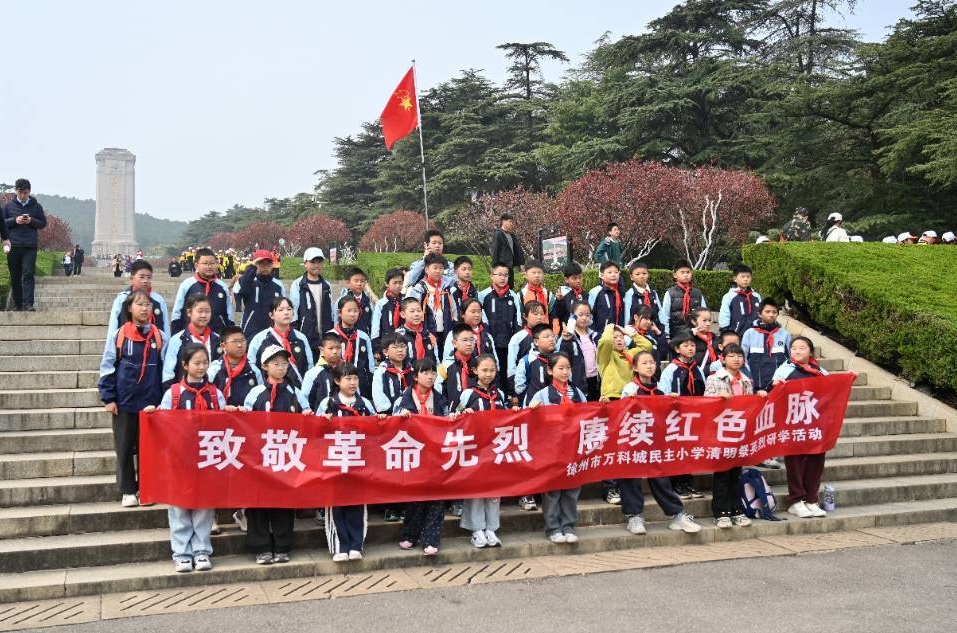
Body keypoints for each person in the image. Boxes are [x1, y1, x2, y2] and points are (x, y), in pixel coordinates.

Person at [143, 343, 236, 573]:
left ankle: (202, 550)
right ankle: (182, 553)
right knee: (179, 506)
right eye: (196, 363)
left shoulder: (215, 393)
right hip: (179, 459)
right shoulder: (173, 393)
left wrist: (233, 413)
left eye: (205, 362)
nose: (202, 367)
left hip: (207, 457)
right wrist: (153, 415)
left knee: (204, 506)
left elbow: (225, 422)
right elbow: (163, 422)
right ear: (185, 365)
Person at [619, 350, 702, 535]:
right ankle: (634, 517)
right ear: (635, 367)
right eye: (644, 363)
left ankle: (677, 515)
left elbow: (666, 418)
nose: (649, 366)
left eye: (651, 362)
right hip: (634, 442)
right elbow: (622, 415)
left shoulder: (660, 391)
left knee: (661, 479)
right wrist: (630, 402)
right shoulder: (630, 389)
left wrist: (672, 403)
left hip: (654, 443)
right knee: (631, 478)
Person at [243, 344, 312, 565]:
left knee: (283, 501)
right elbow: (244, 422)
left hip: (285, 454)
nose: (281, 367)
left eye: (284, 363)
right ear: (265, 367)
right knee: (258, 502)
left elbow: (306, 415)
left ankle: (283, 546)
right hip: (260, 456)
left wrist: (308, 416)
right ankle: (261, 547)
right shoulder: (255, 393)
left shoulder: (294, 392)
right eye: (276, 364)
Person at [97, 290, 164, 508]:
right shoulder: (119, 335)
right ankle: (127, 490)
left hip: (151, 403)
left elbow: (166, 370)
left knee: (148, 449)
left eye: (148, 304)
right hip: (124, 401)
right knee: (124, 447)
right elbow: (107, 367)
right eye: (139, 304)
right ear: (129, 308)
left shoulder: (159, 336)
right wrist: (108, 398)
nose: (144, 308)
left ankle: (147, 488)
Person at [318, 363, 383, 562]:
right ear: (337, 381)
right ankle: (339, 546)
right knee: (336, 505)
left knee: (357, 504)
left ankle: (356, 545)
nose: (353, 382)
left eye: (355, 378)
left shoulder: (364, 404)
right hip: (334, 463)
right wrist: (323, 421)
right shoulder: (328, 403)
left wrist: (380, 420)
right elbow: (315, 432)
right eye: (348, 378)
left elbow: (376, 430)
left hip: (358, 462)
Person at [394, 358, 456, 556]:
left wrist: (452, 417)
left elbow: (448, 420)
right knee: (415, 497)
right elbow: (392, 421)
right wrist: (401, 416)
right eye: (425, 372)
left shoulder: (440, 399)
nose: (430, 377)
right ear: (415, 376)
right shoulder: (404, 398)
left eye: (433, 373)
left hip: (436, 453)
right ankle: (410, 535)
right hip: (413, 453)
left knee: (436, 498)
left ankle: (431, 539)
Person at [527, 352, 586, 543]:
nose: (565, 372)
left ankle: (568, 526)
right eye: (560, 368)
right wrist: (532, 411)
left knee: (571, 488)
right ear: (550, 370)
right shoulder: (542, 395)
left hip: (573, 449)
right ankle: (553, 528)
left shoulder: (577, 393)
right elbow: (530, 422)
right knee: (552, 490)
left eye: (568, 368)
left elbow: (587, 417)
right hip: (551, 451)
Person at [772, 337, 830, 519]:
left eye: (802, 348)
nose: (797, 351)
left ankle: (811, 499)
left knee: (816, 461)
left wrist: (848, 379)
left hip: (815, 423)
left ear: (810, 352)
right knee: (795, 462)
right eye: (794, 348)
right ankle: (796, 501)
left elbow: (832, 392)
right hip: (794, 423)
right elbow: (773, 395)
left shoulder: (821, 371)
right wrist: (775, 387)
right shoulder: (784, 370)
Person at [457, 353, 509, 548]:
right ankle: (476, 529)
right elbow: (454, 414)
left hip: (496, 447)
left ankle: (491, 528)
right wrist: (464, 414)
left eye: (492, 370)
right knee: (476, 489)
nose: (488, 374)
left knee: (494, 489)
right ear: (475, 371)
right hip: (475, 448)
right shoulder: (468, 394)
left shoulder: (499, 394)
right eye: (484, 370)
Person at [703, 343, 755, 528]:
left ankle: (736, 510)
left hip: (739, 433)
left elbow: (751, 405)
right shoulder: (714, 379)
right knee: (722, 475)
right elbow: (705, 402)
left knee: (736, 474)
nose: (736, 359)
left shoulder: (746, 380)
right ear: (723, 359)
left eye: (739, 356)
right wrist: (718, 398)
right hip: (721, 432)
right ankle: (721, 512)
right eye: (732, 356)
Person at [658, 331, 706, 499]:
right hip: (676, 417)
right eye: (686, 345)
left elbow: (704, 391)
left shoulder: (697, 369)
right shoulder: (671, 369)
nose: (690, 348)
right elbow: (663, 392)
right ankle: (676, 484)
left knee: (689, 451)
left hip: (693, 417)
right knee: (677, 450)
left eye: (692, 345)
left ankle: (687, 483)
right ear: (677, 349)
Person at [247, 297, 314, 388]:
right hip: (269, 390)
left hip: (298, 391)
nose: (286, 313)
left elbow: (309, 365)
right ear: (271, 315)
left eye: (289, 309)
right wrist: (262, 386)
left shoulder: (301, 338)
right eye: (280, 310)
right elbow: (251, 364)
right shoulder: (260, 339)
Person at [2, 179, 47, 311]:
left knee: (28, 274)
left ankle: (28, 304)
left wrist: (31, 220)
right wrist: (14, 220)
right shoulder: (8, 206)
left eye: (25, 193)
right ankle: (18, 304)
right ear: (16, 191)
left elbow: (43, 223)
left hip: (30, 246)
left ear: (29, 192)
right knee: (15, 276)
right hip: (13, 245)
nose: (22, 195)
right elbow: (2, 223)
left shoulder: (36, 207)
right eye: (20, 192)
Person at [170, 247, 234, 334]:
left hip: (217, 336)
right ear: (196, 265)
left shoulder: (222, 286)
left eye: (212, 263)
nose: (209, 266)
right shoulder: (187, 285)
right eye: (205, 263)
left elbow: (229, 314)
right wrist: (176, 334)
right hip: (191, 336)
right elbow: (177, 312)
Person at [477, 262, 522, 386]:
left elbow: (518, 320)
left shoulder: (513, 296)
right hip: (490, 343)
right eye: (500, 275)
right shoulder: (483, 295)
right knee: (492, 373)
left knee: (508, 374)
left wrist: (516, 340)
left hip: (509, 344)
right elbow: (480, 319)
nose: (503, 278)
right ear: (492, 276)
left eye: (506, 275)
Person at [107, 260, 171, 342]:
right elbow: (113, 327)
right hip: (126, 345)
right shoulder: (122, 299)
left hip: (153, 345)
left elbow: (165, 327)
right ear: (132, 278)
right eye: (141, 277)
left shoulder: (158, 300)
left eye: (149, 277)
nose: (146, 281)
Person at [289, 247, 334, 357]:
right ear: (305, 263)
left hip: (325, 338)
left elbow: (332, 312)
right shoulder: (298, 284)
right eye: (313, 262)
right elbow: (293, 310)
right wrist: (295, 333)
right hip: (305, 337)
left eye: (319, 262)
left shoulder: (327, 286)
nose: (316, 265)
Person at [741, 298, 791, 393]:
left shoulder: (785, 334)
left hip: (778, 386)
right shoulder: (749, 333)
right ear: (759, 314)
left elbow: (790, 360)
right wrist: (748, 381)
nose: (771, 314)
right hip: (756, 387)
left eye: (774, 312)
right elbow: (743, 359)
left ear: (777, 314)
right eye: (767, 312)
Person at [329, 296, 376, 397]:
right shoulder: (331, 336)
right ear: (339, 312)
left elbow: (370, 367)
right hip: (336, 385)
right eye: (349, 310)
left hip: (359, 386)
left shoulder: (363, 337)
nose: (352, 314)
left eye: (355, 311)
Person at [233, 250, 286, 338]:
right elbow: (238, 291)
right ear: (255, 264)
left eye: (268, 264)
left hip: (272, 328)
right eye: (261, 264)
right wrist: (251, 269)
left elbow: (283, 306)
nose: (265, 267)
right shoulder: (248, 281)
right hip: (250, 327)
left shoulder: (278, 285)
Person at [407, 253, 458, 340]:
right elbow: (413, 310)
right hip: (426, 332)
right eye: (435, 268)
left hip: (446, 331)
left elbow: (453, 309)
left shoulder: (447, 288)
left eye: (441, 268)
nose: (438, 271)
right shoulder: (420, 288)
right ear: (426, 269)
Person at [556, 301, 599, 400]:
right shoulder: (567, 336)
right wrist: (566, 341)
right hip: (577, 381)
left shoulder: (595, 335)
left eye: (587, 315)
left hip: (595, 380)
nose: (584, 318)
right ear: (572, 316)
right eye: (580, 314)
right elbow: (560, 358)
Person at [207, 326, 259, 407]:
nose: (239, 345)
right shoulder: (214, 370)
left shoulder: (253, 370)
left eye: (242, 341)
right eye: (234, 341)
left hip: (247, 414)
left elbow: (260, 396)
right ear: (223, 346)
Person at [506, 300, 547, 400]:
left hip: (547, 388)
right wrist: (513, 393)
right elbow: (511, 367)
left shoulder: (550, 337)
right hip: (525, 389)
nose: (539, 317)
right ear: (525, 316)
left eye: (542, 314)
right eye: (535, 314)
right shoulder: (518, 338)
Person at [659, 260, 706, 340]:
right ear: (675, 275)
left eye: (688, 272)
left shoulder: (698, 293)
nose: (685, 275)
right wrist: (666, 335)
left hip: (695, 336)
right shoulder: (670, 293)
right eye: (682, 272)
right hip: (676, 336)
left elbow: (704, 314)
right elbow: (665, 315)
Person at [442, 298, 497, 363]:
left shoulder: (487, 336)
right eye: (473, 312)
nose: (477, 315)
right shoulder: (453, 334)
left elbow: (495, 360)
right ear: (462, 314)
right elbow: (447, 360)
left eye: (479, 311)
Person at [301, 332, 345, 413]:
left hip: (345, 417)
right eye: (330, 348)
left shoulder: (347, 370)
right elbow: (304, 400)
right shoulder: (313, 373)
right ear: (321, 350)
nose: (335, 351)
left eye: (338, 348)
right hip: (320, 417)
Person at [514, 324, 556, 406]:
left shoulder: (558, 358)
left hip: (554, 404)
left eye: (553, 336)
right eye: (546, 337)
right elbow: (519, 387)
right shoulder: (527, 360)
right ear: (536, 342)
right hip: (533, 405)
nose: (551, 339)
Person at [436, 323, 477, 407]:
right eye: (465, 340)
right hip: (452, 413)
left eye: (472, 339)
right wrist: (447, 411)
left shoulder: (479, 364)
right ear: (454, 343)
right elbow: (438, 393)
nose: (469, 343)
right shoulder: (445, 367)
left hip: (476, 411)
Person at [371, 332, 412, 414]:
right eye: (395, 347)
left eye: (403, 346)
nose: (400, 350)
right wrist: (394, 412)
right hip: (390, 416)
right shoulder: (381, 372)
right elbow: (378, 396)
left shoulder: (411, 370)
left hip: (411, 414)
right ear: (385, 352)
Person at [623, 262, 663, 340]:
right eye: (637, 274)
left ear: (648, 275)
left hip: (653, 330)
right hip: (636, 333)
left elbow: (661, 313)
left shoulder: (653, 293)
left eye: (644, 273)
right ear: (631, 277)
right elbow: (627, 316)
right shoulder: (629, 294)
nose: (641, 276)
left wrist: (662, 330)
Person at [718, 264, 762, 337]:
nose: (746, 279)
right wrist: (725, 332)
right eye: (742, 276)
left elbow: (762, 313)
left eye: (748, 276)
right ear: (735, 279)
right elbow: (724, 316)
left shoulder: (756, 296)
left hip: (756, 335)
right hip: (736, 335)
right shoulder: (729, 296)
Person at [371, 268, 405, 357]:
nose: (398, 286)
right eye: (394, 283)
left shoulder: (406, 301)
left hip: (403, 343)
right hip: (386, 343)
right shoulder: (381, 304)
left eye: (400, 283)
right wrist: (376, 348)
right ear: (387, 284)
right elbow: (375, 327)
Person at [395, 297, 439, 364]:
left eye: (419, 311)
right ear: (403, 314)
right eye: (412, 311)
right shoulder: (398, 336)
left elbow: (436, 360)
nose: (416, 314)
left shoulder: (429, 336)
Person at [489, 214, 525, 288]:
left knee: (510, 285)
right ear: (503, 221)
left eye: (512, 222)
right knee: (502, 285)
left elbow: (517, 250)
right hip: (502, 265)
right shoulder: (498, 233)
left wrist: (521, 263)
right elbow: (495, 250)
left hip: (510, 265)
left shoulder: (511, 235)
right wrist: (495, 266)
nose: (511, 223)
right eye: (510, 221)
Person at [588, 261, 625, 331]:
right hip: (600, 334)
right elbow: (589, 315)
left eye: (616, 272)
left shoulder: (621, 292)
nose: (613, 275)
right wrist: (594, 333)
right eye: (610, 272)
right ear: (602, 275)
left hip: (619, 334)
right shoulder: (595, 292)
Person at [519, 261, 556, 330]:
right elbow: (519, 317)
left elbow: (554, 316)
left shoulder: (548, 294)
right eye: (533, 273)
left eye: (539, 272)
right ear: (526, 275)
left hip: (545, 330)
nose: (537, 275)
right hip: (527, 331)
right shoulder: (521, 295)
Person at [338, 267, 374, 335]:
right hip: (346, 337)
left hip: (364, 337)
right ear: (348, 283)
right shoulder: (341, 301)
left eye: (362, 281)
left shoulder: (368, 301)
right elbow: (336, 321)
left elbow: (371, 321)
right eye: (356, 281)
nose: (359, 284)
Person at [554, 261, 586, 326]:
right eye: (574, 278)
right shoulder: (563, 295)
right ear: (566, 279)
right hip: (568, 329)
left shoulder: (585, 294)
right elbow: (558, 314)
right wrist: (559, 301)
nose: (578, 280)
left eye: (580, 277)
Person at [689, 307, 718, 377]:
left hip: (713, 377)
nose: (708, 324)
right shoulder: (689, 338)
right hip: (695, 377)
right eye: (704, 321)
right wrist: (689, 334)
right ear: (694, 321)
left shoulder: (715, 338)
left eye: (709, 320)